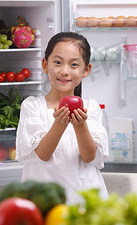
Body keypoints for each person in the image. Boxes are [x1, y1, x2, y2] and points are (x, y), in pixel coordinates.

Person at [15, 31, 109, 204]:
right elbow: (43, 154)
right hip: (45, 203)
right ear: (45, 64)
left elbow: (89, 156)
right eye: (57, 62)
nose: (64, 71)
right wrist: (59, 123)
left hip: (84, 202)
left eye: (74, 65)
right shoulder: (32, 106)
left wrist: (80, 126)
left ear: (86, 70)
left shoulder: (91, 107)